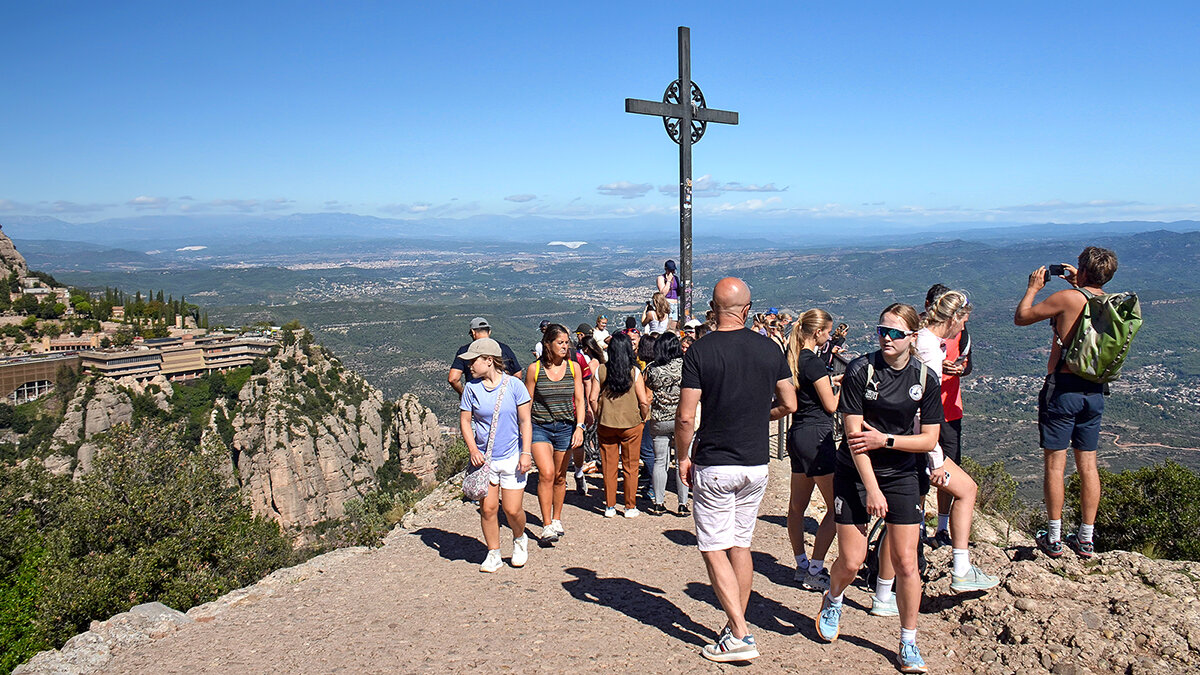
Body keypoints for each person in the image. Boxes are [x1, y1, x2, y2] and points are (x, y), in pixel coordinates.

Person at [815, 304, 942, 674]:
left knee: (906, 562)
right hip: (855, 472)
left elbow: (929, 439)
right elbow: (855, 438)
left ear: (912, 339)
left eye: (896, 333)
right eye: (881, 331)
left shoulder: (925, 378)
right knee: (852, 561)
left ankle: (908, 641)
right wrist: (872, 489)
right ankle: (834, 597)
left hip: (901, 473)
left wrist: (887, 440)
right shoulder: (860, 370)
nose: (886, 338)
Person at [676, 277, 796, 663]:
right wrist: (760, 416)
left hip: (714, 460)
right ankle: (734, 626)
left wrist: (682, 456)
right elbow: (789, 402)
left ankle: (741, 634)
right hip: (755, 463)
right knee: (740, 545)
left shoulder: (700, 350)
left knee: (713, 548)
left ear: (713, 309)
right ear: (747, 309)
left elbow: (684, 416)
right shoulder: (769, 348)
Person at [880, 290, 998, 599]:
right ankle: (961, 570)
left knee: (903, 515)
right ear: (954, 317)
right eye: (964, 319)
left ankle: (883, 590)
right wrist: (935, 458)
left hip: (903, 439)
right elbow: (922, 407)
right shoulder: (931, 350)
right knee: (967, 490)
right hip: (919, 443)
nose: (965, 326)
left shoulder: (920, 339)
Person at [1014, 246, 1119, 559]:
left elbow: (1021, 317)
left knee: (1055, 464)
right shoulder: (1110, 304)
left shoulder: (1068, 298)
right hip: (1096, 392)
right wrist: (1080, 282)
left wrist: (1033, 287)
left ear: (1083, 270)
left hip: (1063, 389)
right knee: (1088, 464)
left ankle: (1055, 537)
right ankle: (1086, 538)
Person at [458, 338, 533, 573]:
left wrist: (526, 453)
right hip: (485, 460)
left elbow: (525, 421)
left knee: (512, 510)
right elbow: (465, 421)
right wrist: (473, 450)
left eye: (473, 361)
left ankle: (520, 538)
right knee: (488, 508)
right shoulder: (471, 389)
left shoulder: (514, 386)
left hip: (512, 456)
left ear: (489, 361)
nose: (469, 366)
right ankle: (493, 552)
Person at [784, 309, 841, 591]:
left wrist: (830, 384)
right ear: (817, 333)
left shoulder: (794, 360)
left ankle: (801, 563)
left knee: (796, 506)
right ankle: (816, 569)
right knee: (836, 507)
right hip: (818, 437)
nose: (829, 336)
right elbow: (830, 405)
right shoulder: (815, 363)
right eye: (827, 332)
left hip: (797, 435)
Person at [524, 324, 586, 545]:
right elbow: (527, 401)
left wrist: (580, 426)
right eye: (560, 342)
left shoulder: (573, 368)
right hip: (540, 426)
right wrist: (523, 430)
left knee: (560, 476)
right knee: (547, 473)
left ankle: (557, 518)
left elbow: (580, 398)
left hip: (565, 427)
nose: (565, 346)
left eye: (567, 342)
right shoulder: (535, 369)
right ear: (548, 344)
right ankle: (547, 523)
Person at [590, 331, 650, 518]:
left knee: (609, 466)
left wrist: (600, 414)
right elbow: (643, 401)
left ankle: (609, 506)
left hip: (607, 423)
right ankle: (630, 506)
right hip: (631, 424)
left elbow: (592, 398)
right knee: (631, 466)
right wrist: (643, 417)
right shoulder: (635, 372)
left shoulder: (601, 370)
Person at [644, 331, 688, 516]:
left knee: (660, 462)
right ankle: (682, 504)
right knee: (682, 461)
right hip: (681, 419)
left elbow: (647, 391)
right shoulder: (686, 366)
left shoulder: (652, 368)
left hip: (660, 419)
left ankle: (658, 503)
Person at [448, 317, 521, 396]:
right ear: (489, 332)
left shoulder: (465, 351)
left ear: (473, 332)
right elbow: (517, 374)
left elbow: (453, 379)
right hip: (502, 397)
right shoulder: (504, 348)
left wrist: (463, 394)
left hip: (476, 397)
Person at [657, 260, 680, 328]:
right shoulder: (661, 278)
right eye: (670, 270)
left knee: (673, 326)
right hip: (666, 304)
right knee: (665, 326)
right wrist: (668, 281)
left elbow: (678, 292)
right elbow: (663, 293)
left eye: (673, 270)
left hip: (675, 304)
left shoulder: (676, 278)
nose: (672, 272)